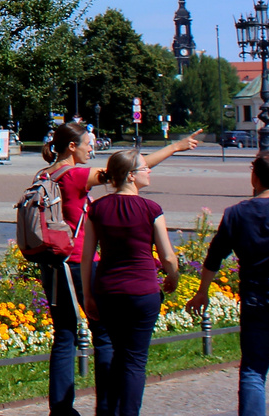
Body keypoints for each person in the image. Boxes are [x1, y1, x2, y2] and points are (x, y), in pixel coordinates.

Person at [37, 121, 200, 416]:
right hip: (76, 264)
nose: (92, 148)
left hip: (51, 263)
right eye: (88, 143)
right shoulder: (74, 175)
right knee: (104, 338)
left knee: (63, 335)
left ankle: (60, 410)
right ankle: (106, 408)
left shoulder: (45, 174)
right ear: (72, 147)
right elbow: (125, 170)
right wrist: (175, 147)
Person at [81, 149, 178, 416]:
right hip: (143, 292)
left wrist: (88, 295)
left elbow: (87, 257)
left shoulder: (97, 209)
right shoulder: (151, 209)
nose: (149, 171)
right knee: (135, 361)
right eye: (145, 168)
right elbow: (167, 256)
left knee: (115, 353)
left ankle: (108, 410)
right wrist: (173, 277)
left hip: (108, 291)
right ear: (131, 176)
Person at [188, 152, 269, 416]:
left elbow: (214, 257)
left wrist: (202, 292)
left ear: (255, 177)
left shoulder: (236, 214)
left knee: (253, 371)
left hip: (254, 299)